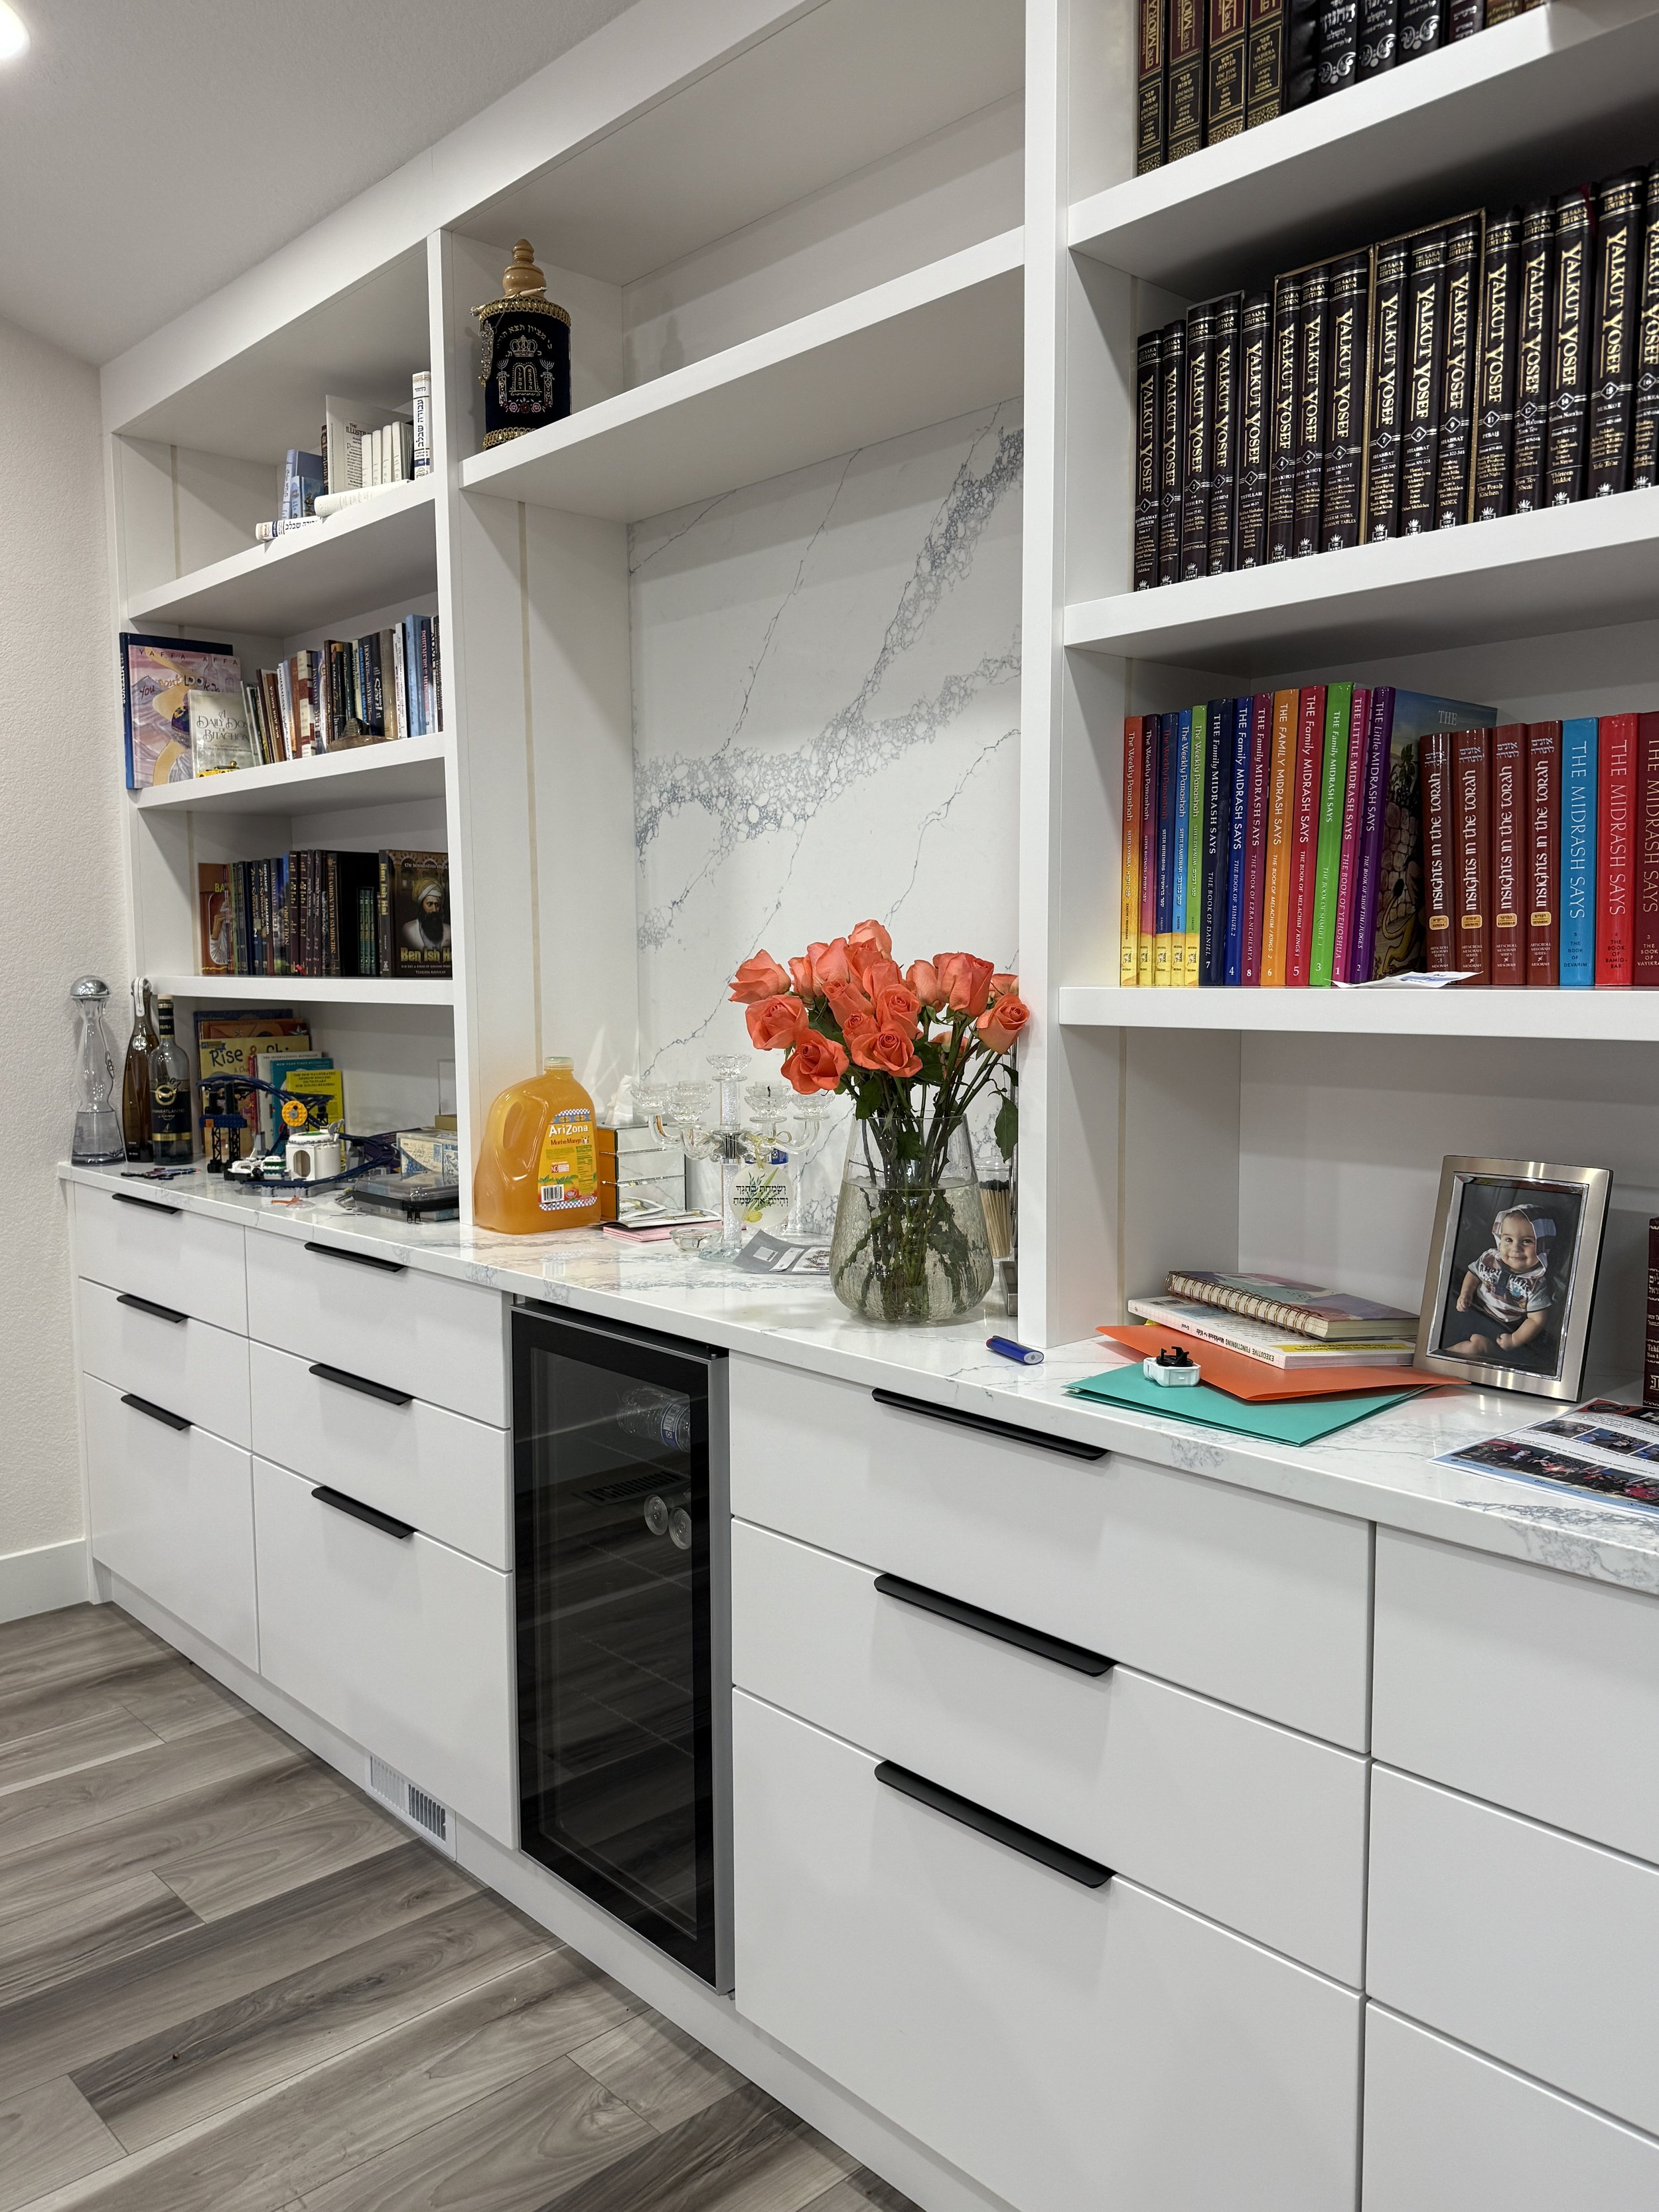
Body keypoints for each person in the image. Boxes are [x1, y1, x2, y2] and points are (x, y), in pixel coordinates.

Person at [1446, 1204, 1553, 1362]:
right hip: (1475, 1309)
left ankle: (1441, 1360)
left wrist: (1514, 1340)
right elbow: (1474, 1274)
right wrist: (1466, 1293)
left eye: (1527, 1241)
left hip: (1502, 1328)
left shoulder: (1536, 1282)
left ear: (1544, 1246)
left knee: (1477, 1347)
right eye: (1508, 1239)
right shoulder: (1490, 1259)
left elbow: (1536, 1320)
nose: (1515, 1248)